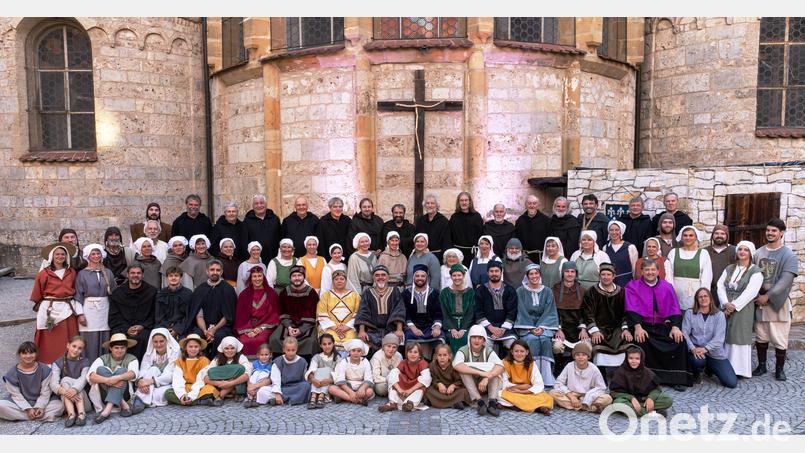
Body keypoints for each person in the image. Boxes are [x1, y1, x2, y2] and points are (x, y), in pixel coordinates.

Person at [625, 259, 689, 389]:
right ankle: (644, 378)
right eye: (647, 270)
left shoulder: (667, 286)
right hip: (642, 326)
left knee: (679, 341)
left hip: (662, 326)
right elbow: (631, 308)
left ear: (658, 271)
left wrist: (675, 327)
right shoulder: (632, 286)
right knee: (640, 341)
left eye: (653, 269)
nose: (650, 272)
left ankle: (676, 378)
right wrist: (637, 327)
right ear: (642, 271)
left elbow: (674, 308)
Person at [753, 218, 798, 381]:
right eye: (768, 230)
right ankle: (762, 365)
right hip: (760, 301)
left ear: (781, 233)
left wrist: (768, 296)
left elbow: (786, 280)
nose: (770, 233)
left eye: (774, 231)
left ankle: (780, 369)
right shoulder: (758, 253)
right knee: (761, 335)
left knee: (779, 337)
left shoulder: (789, 255)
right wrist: (758, 295)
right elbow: (753, 276)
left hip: (779, 302)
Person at [717, 240, 762, 379]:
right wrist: (725, 303)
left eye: (745, 250)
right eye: (740, 249)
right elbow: (720, 286)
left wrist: (734, 306)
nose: (742, 252)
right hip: (726, 306)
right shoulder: (729, 268)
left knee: (739, 336)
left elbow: (751, 292)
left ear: (751, 253)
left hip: (743, 308)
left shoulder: (755, 271)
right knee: (725, 334)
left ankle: (739, 369)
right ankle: (724, 367)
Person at [30, 242, 81, 364]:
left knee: (69, 337)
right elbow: (38, 292)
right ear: (52, 256)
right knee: (50, 339)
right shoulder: (43, 273)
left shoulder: (72, 272)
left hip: (68, 308)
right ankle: (47, 364)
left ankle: (69, 364)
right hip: (50, 309)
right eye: (57, 254)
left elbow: (76, 290)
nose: (60, 257)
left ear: (66, 256)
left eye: (63, 254)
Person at [581, 263, 633, 370]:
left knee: (624, 339)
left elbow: (626, 312)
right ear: (599, 276)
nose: (606, 277)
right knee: (598, 340)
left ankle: (620, 373)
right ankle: (601, 374)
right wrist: (594, 331)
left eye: (608, 274)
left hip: (617, 328)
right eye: (603, 274)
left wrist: (625, 329)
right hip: (599, 328)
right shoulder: (591, 292)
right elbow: (587, 313)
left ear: (614, 276)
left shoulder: (622, 291)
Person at [514, 264, 560, 386]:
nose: (534, 276)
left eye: (536, 273)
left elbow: (550, 311)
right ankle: (530, 377)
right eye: (531, 274)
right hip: (526, 327)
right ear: (527, 276)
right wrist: (531, 328)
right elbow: (520, 311)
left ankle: (546, 378)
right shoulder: (520, 291)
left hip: (544, 326)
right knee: (531, 340)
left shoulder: (547, 291)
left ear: (540, 275)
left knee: (544, 340)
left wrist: (542, 327)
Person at [682, 288, 738, 388]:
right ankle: (697, 372)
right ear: (697, 300)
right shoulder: (689, 313)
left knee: (731, 382)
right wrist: (692, 348)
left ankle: (710, 368)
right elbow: (685, 333)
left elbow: (719, 338)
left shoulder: (719, 315)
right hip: (696, 352)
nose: (703, 299)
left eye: (705, 296)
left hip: (715, 354)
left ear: (710, 298)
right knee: (697, 361)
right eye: (700, 297)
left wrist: (705, 349)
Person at [0, 342, 63, 422]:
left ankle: (31, 415)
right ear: (19, 354)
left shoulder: (44, 369)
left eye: (31, 353)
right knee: (1, 406)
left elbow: (46, 392)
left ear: (36, 354)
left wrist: (40, 407)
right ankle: (38, 416)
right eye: (24, 353)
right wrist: (28, 409)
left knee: (60, 405)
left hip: (42, 402)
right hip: (21, 403)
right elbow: (16, 395)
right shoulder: (12, 373)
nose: (28, 356)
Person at [74, 243, 116, 363]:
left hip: (104, 308)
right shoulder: (82, 274)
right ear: (88, 256)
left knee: (104, 337)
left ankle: (103, 364)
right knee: (89, 338)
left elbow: (114, 292)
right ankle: (88, 365)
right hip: (88, 309)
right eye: (93, 254)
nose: (96, 256)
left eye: (98, 253)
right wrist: (80, 314)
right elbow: (78, 294)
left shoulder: (108, 272)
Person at [452, 325, 505, 417]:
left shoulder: (488, 351)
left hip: (485, 384)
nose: (477, 340)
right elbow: (457, 365)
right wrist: (481, 372)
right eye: (474, 337)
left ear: (484, 340)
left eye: (480, 338)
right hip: (470, 384)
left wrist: (487, 377)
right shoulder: (463, 350)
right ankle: (479, 401)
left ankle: (492, 402)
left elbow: (500, 366)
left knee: (495, 371)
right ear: (469, 338)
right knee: (463, 371)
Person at [187, 259, 237, 355]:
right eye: (212, 269)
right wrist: (205, 331)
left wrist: (214, 330)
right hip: (203, 326)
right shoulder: (200, 289)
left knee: (220, 336)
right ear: (207, 271)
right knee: (196, 336)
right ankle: (201, 362)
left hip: (222, 326)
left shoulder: (228, 289)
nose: (215, 272)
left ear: (221, 272)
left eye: (218, 270)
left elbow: (228, 315)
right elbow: (199, 315)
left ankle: (216, 362)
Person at [87, 334, 139, 424]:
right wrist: (108, 381)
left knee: (122, 371)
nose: (119, 350)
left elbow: (133, 374)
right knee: (100, 370)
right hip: (104, 395)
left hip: (125, 394)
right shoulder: (102, 359)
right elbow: (91, 376)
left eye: (122, 348)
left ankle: (107, 411)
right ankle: (123, 404)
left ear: (126, 348)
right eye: (116, 348)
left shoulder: (131, 358)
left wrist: (116, 378)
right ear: (111, 348)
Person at [109, 264, 156, 361]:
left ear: (143, 275)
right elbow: (114, 317)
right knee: (118, 338)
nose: (136, 275)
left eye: (139, 273)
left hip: (144, 327)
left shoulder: (152, 291)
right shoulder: (118, 293)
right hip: (122, 327)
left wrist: (142, 326)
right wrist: (127, 329)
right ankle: (118, 367)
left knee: (142, 338)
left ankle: (140, 368)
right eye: (132, 273)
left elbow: (154, 314)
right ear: (127, 275)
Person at [269, 265, 319, 357]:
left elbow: (313, 314)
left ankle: (307, 366)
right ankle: (279, 364)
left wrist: (301, 330)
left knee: (311, 341)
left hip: (307, 325)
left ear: (304, 277)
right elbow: (282, 312)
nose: (297, 278)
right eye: (294, 276)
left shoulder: (311, 293)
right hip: (288, 324)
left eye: (299, 275)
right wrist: (289, 327)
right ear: (290, 278)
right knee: (274, 338)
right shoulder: (284, 292)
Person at [609, 346, 673, 417]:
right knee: (618, 403)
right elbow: (614, 392)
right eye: (631, 358)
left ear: (641, 359)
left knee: (668, 400)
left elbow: (657, 389)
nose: (634, 361)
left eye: (637, 358)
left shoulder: (646, 372)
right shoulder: (620, 372)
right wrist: (631, 398)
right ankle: (653, 413)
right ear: (626, 359)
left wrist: (651, 398)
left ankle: (636, 410)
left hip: (644, 399)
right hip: (627, 400)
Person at [549, 342, 611, 413]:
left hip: (588, 394)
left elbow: (601, 387)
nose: (580, 357)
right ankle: (590, 407)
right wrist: (571, 397)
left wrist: (587, 399)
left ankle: (579, 405)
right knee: (552, 393)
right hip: (572, 393)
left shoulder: (594, 369)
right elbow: (558, 383)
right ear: (574, 357)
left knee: (607, 398)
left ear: (588, 357)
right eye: (577, 355)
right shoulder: (569, 366)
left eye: (584, 355)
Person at [356, 265, 406, 352]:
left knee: (398, 342)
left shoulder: (395, 291)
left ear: (388, 277)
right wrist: (361, 331)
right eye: (377, 275)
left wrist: (399, 329)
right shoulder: (368, 292)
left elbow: (399, 310)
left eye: (383, 275)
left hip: (391, 329)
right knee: (363, 344)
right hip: (372, 330)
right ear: (373, 278)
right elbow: (363, 312)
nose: (380, 277)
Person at [234, 265, 280, 356]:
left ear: (263, 277)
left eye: (259, 276)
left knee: (260, 340)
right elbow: (240, 315)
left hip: (265, 326)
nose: (257, 279)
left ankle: (263, 364)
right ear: (251, 278)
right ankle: (247, 365)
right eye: (254, 276)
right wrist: (248, 331)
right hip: (246, 326)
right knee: (244, 340)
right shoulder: (244, 294)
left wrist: (260, 328)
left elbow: (273, 314)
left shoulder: (271, 293)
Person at [498, 340, 553, 414]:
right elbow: (504, 383)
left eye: (522, 351)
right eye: (516, 351)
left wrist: (522, 391)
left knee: (547, 397)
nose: (519, 354)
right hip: (513, 391)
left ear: (527, 352)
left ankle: (516, 406)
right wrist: (522, 387)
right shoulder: (505, 363)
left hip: (527, 391)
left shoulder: (531, 364)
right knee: (499, 394)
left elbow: (539, 384)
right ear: (512, 352)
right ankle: (537, 407)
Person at [401, 264, 444, 358]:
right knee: (409, 340)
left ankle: (435, 366)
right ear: (413, 277)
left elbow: (438, 312)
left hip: (430, 326)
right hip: (412, 327)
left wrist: (437, 327)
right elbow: (405, 313)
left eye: (423, 276)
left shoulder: (435, 293)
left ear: (427, 277)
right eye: (417, 276)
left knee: (440, 339)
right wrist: (413, 328)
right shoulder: (406, 294)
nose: (420, 278)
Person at [665, 225, 712, 311]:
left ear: (696, 237)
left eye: (691, 235)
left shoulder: (703, 253)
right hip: (676, 292)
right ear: (681, 237)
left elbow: (706, 277)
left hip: (695, 292)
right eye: (685, 235)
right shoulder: (673, 252)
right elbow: (668, 274)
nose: (688, 238)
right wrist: (671, 292)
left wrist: (703, 296)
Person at [474, 260, 517, 352]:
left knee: (512, 344)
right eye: (491, 271)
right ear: (487, 273)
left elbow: (512, 312)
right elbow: (478, 312)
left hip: (506, 328)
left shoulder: (510, 290)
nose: (494, 274)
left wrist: (503, 329)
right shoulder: (480, 290)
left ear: (501, 272)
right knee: (485, 346)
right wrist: (491, 328)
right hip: (487, 327)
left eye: (497, 271)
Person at [134, 327, 181, 409]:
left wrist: (150, 381)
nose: (158, 344)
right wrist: (141, 381)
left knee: (159, 394)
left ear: (167, 340)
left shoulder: (175, 352)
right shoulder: (149, 353)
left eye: (161, 341)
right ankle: (143, 400)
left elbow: (170, 375)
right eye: (155, 342)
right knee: (153, 369)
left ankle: (140, 399)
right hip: (149, 384)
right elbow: (143, 370)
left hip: (168, 383)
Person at [378, 342, 432, 412]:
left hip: (415, 387)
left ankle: (409, 404)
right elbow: (393, 374)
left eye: (415, 352)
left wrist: (410, 390)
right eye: (410, 352)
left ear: (420, 354)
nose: (412, 354)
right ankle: (393, 403)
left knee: (421, 387)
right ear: (406, 353)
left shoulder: (422, 363)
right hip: (404, 387)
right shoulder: (403, 362)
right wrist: (399, 389)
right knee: (393, 373)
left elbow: (426, 378)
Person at [164, 334, 216, 406]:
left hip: (200, 386)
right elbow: (178, 379)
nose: (193, 349)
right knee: (168, 393)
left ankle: (189, 401)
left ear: (200, 348)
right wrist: (182, 395)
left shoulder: (204, 361)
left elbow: (201, 380)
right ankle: (198, 402)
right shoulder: (180, 361)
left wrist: (191, 396)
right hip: (185, 387)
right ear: (186, 348)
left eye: (196, 347)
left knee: (210, 390)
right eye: (190, 347)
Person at [316, 269, 360, 353]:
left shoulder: (355, 296)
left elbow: (358, 313)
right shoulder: (326, 295)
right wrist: (334, 327)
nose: (339, 281)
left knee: (353, 340)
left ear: (346, 281)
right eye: (336, 279)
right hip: (331, 327)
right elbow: (321, 313)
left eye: (342, 279)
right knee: (328, 339)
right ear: (332, 281)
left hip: (350, 327)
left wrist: (347, 327)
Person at [50, 336, 90, 427]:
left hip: (82, 401)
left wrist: (75, 389)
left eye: (80, 348)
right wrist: (67, 392)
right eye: (74, 346)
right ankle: (72, 414)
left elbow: (84, 378)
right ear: (68, 345)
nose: (76, 350)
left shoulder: (85, 361)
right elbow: (53, 384)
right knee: (65, 380)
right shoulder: (57, 363)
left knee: (66, 380)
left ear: (82, 350)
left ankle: (81, 413)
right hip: (65, 402)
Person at [551, 262, 588, 358]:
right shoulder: (554, 289)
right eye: (567, 271)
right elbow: (552, 312)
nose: (570, 274)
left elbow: (586, 312)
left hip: (578, 329)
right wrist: (558, 329)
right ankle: (559, 368)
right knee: (557, 347)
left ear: (576, 273)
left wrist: (584, 329)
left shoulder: (583, 290)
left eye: (572, 271)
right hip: (561, 328)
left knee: (587, 347)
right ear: (563, 273)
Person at [203, 336, 252, 405]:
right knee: (211, 371)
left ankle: (221, 396)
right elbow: (205, 376)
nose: (229, 351)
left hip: (236, 386)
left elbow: (247, 375)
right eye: (226, 348)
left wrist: (230, 383)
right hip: (220, 385)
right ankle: (222, 394)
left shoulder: (241, 358)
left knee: (241, 369)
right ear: (223, 349)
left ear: (236, 349)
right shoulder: (217, 359)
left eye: (232, 348)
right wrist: (221, 384)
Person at [440, 264, 476, 354]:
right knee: (453, 338)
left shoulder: (471, 292)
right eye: (454, 275)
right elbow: (444, 313)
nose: (457, 278)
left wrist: (463, 329)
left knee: (465, 337)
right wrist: (452, 328)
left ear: (463, 276)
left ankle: (464, 365)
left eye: (459, 275)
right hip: (449, 326)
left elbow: (471, 313)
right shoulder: (444, 293)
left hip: (467, 326)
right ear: (451, 277)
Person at [424, 343, 471, 409]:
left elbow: (460, 381)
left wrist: (453, 386)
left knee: (463, 392)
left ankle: (442, 402)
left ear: (450, 356)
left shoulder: (454, 366)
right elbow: (433, 379)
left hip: (452, 391)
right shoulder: (432, 366)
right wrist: (439, 384)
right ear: (436, 356)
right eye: (440, 355)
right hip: (439, 390)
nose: (442, 357)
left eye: (445, 355)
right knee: (429, 391)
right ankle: (454, 403)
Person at [331, 339, 375, 406]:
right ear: (349, 352)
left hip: (360, 385)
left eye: (359, 351)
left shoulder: (365, 361)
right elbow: (340, 379)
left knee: (369, 391)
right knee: (332, 388)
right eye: (353, 350)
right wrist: (351, 392)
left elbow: (368, 378)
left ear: (362, 352)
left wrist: (362, 388)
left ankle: (347, 397)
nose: (356, 353)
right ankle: (357, 400)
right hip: (347, 386)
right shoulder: (344, 362)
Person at [240, 194, 281, 264]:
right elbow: (244, 242)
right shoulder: (247, 221)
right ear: (253, 206)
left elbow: (280, 237)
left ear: (266, 204)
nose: (259, 205)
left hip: (274, 259)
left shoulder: (275, 219)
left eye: (261, 203)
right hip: (255, 260)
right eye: (256, 203)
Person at [270, 337, 311, 406]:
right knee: (263, 391)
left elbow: (305, 379)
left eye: (293, 350)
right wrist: (277, 392)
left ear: (296, 349)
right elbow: (276, 379)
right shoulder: (278, 361)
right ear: (283, 349)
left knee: (306, 386)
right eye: (288, 350)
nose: (291, 353)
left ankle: (284, 399)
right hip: (282, 387)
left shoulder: (302, 361)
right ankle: (282, 398)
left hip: (297, 386)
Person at [155, 266, 193, 339]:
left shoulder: (188, 293)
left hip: (182, 327)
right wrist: (167, 328)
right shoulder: (161, 293)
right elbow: (158, 315)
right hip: (163, 326)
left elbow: (188, 315)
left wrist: (177, 329)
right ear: (167, 278)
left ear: (181, 278)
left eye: (176, 276)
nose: (173, 278)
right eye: (171, 276)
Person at [305, 334, 341, 409]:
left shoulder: (337, 358)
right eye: (324, 344)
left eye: (329, 343)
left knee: (327, 369)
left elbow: (339, 373)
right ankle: (314, 395)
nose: (327, 346)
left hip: (329, 383)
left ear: (333, 344)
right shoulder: (317, 357)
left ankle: (321, 395)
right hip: (317, 383)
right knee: (317, 370)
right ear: (321, 345)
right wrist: (313, 379)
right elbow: (311, 370)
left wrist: (330, 380)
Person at [449, 192, 484, 267]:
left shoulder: (477, 217)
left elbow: (481, 235)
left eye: (466, 200)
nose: (464, 202)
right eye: (461, 200)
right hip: (458, 253)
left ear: (470, 202)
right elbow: (450, 236)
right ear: (458, 202)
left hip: (473, 252)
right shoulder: (454, 217)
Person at [514, 195, 551, 264]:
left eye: (534, 203)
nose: (532, 206)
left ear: (538, 205)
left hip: (541, 256)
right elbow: (517, 238)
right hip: (525, 256)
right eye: (529, 203)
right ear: (526, 205)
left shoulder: (546, 220)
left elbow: (549, 239)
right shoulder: (520, 220)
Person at [705, 224, 736, 307]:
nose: (719, 236)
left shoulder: (734, 251)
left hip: (728, 291)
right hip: (710, 290)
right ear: (712, 235)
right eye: (716, 233)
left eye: (723, 234)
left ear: (727, 235)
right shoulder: (705, 251)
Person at [415, 193, 452, 262]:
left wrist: (445, 259)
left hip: (437, 257)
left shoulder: (443, 221)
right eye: (427, 203)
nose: (430, 205)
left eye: (432, 203)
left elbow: (447, 242)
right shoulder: (421, 220)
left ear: (437, 206)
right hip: (422, 256)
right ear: (424, 205)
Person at [316, 197, 352, 261]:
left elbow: (350, 239)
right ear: (330, 208)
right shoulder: (323, 222)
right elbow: (321, 242)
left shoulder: (347, 220)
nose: (338, 209)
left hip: (345, 257)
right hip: (329, 258)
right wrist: (324, 259)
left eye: (340, 206)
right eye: (335, 207)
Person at [604, 220, 638, 288]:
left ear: (621, 231)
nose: (614, 232)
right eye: (611, 230)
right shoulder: (605, 248)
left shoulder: (630, 247)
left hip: (626, 283)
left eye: (617, 230)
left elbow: (634, 268)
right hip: (609, 283)